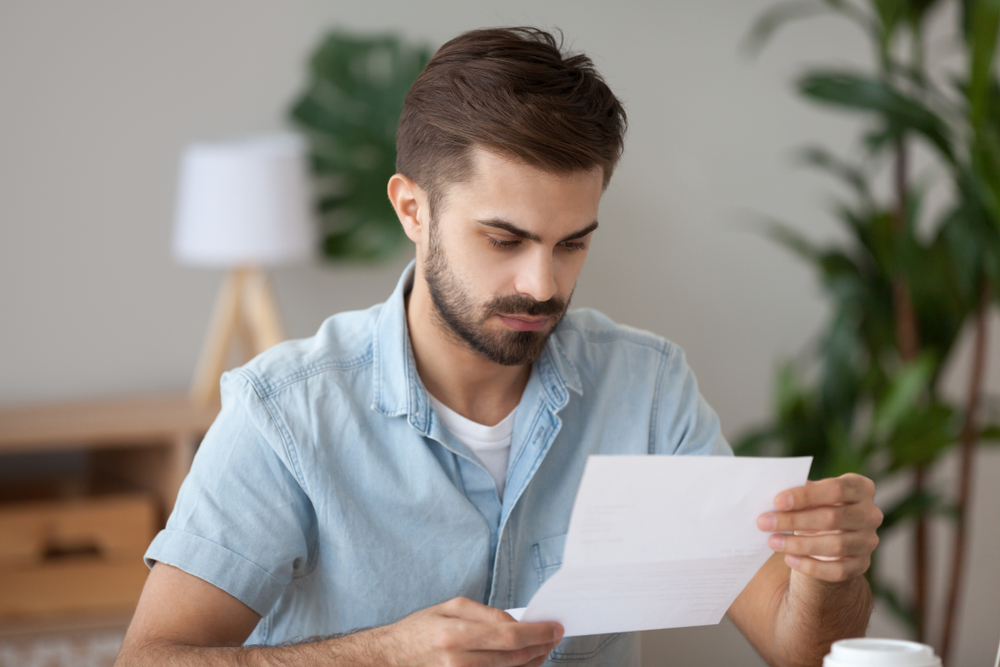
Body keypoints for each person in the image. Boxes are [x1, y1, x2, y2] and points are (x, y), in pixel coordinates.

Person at [115, 27, 882, 667]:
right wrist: (387, 653)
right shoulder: (286, 413)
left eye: (572, 243)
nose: (542, 284)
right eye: (504, 239)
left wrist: (830, 573)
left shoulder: (646, 386)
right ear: (412, 208)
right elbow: (150, 659)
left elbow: (802, 648)